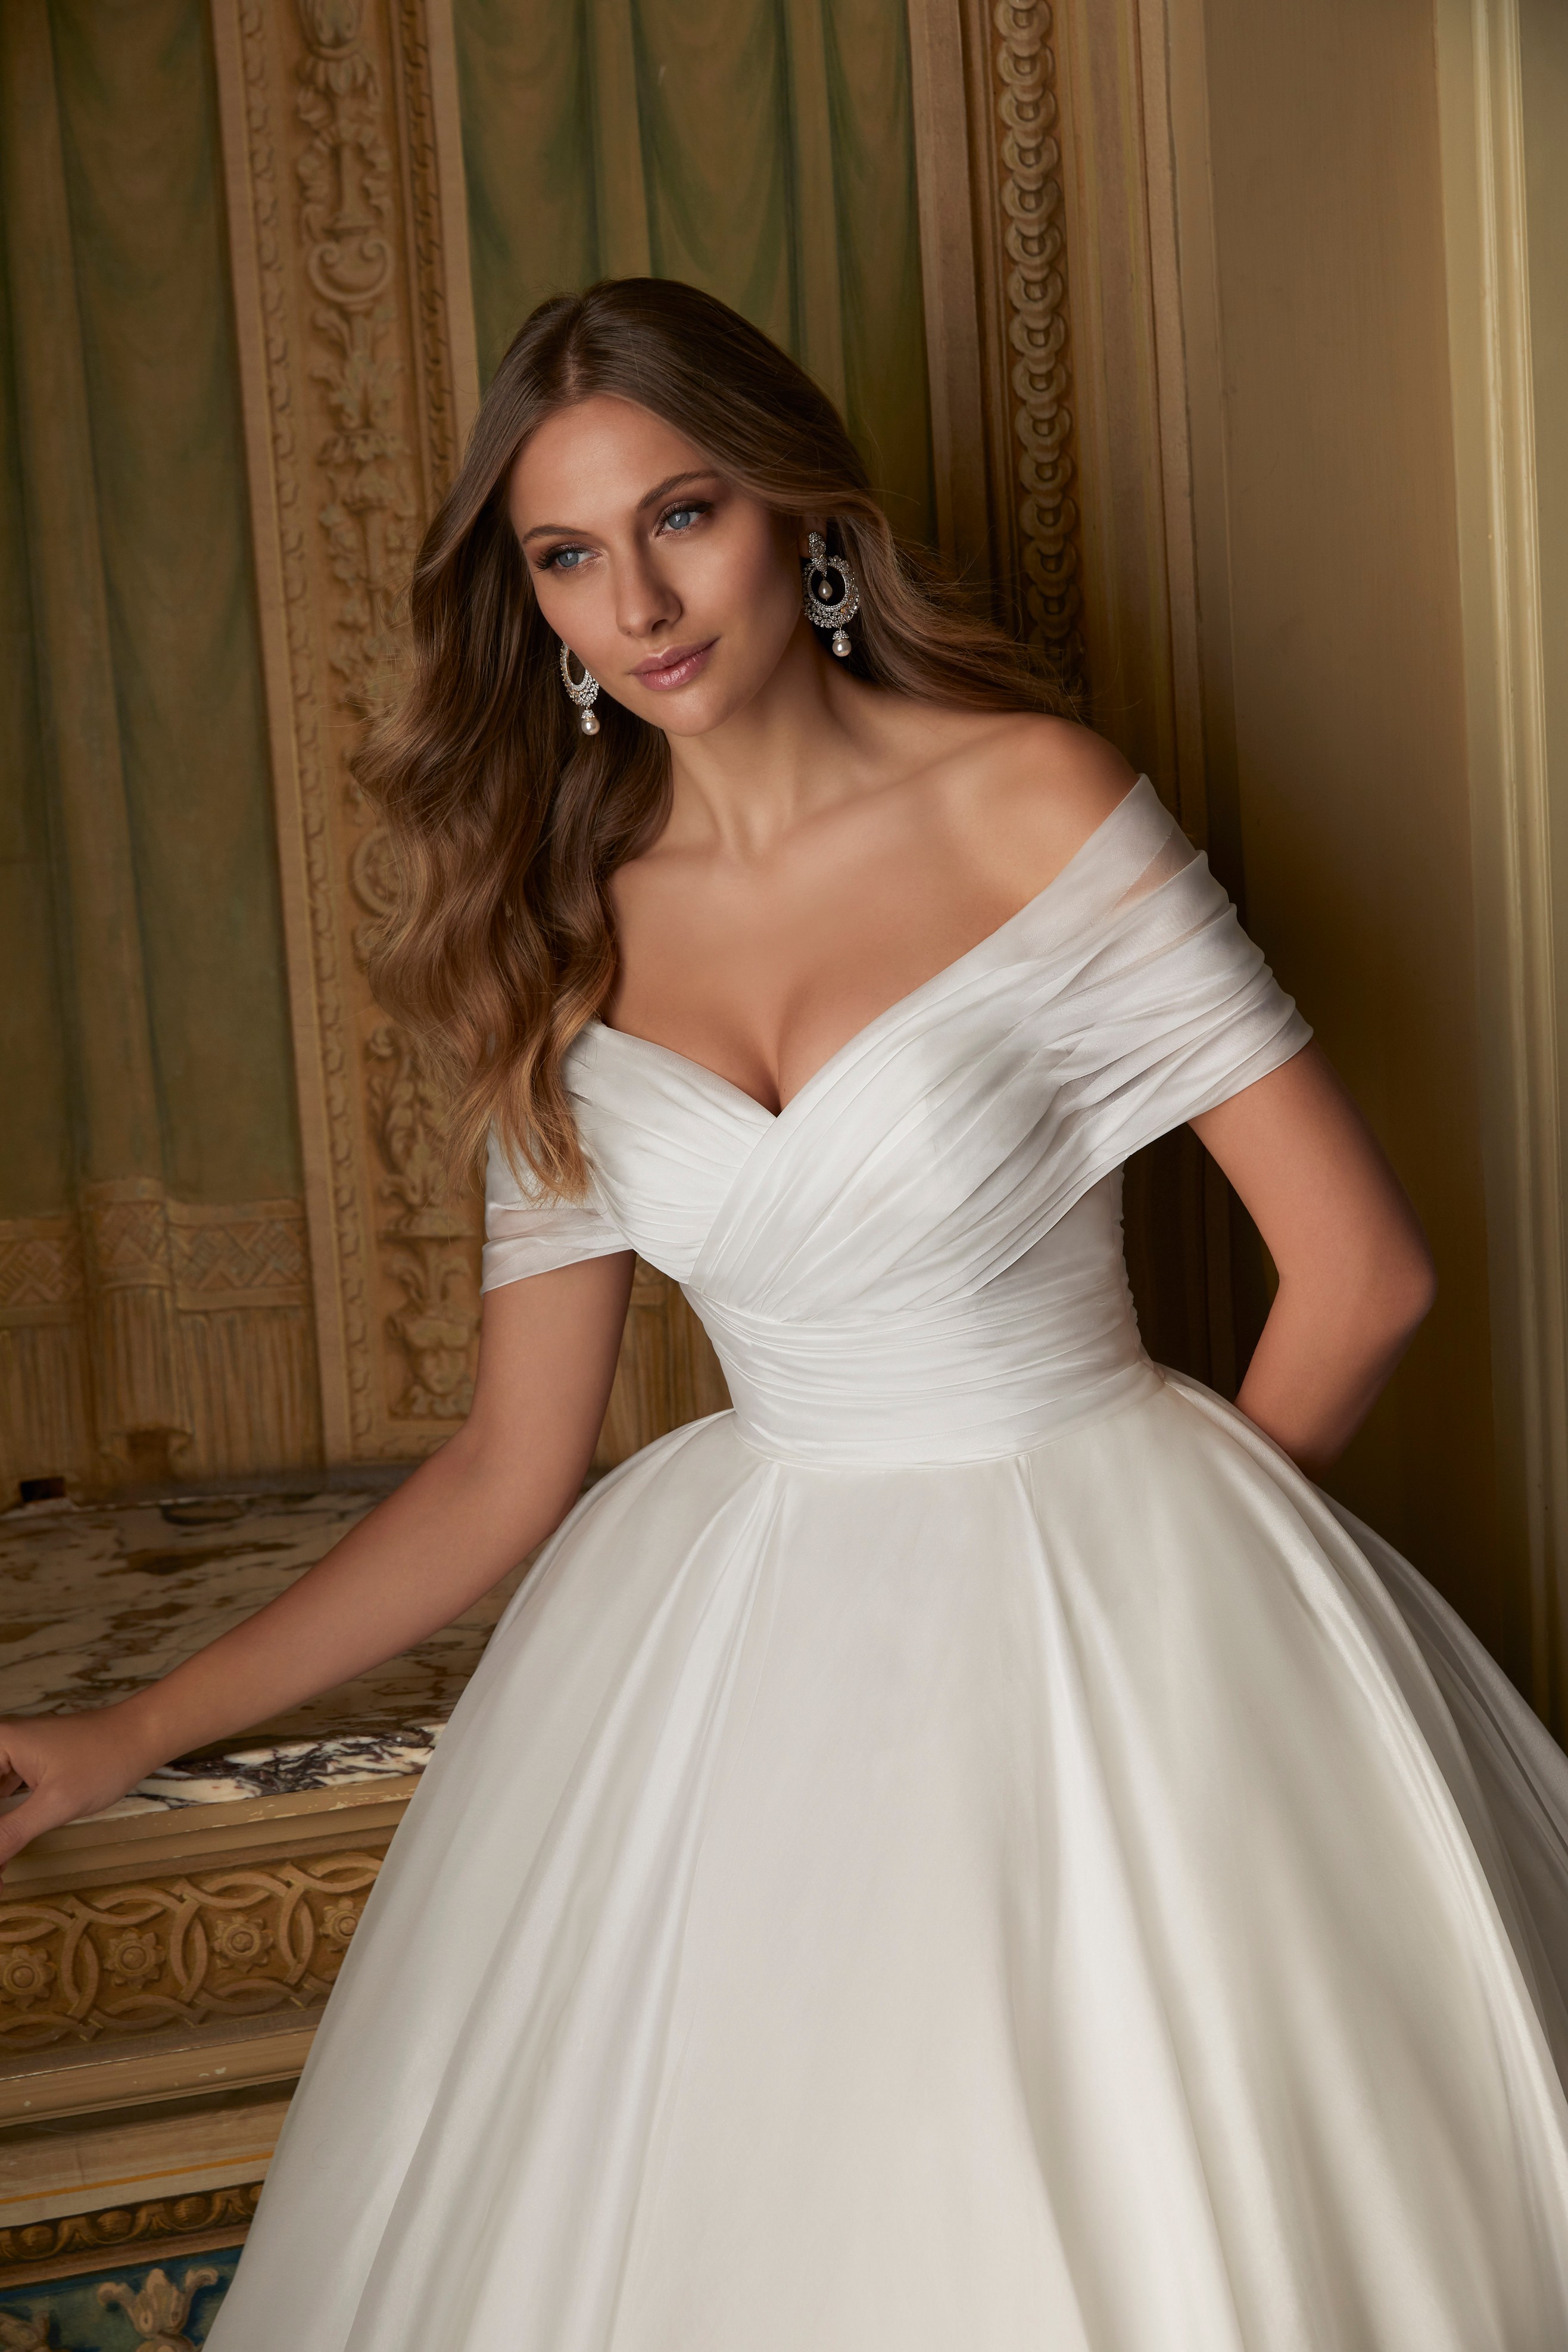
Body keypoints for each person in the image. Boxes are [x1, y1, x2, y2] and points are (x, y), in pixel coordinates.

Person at [4, 278, 1568, 2351]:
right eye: (567, 553)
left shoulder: (1029, 803)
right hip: (745, 1651)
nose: (636, 601)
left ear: (800, 522)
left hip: (1107, 1577)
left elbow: (1362, 1272)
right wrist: (124, 1730)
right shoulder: (551, 934)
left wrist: (1187, 1598)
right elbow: (502, 1472)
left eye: (685, 515)